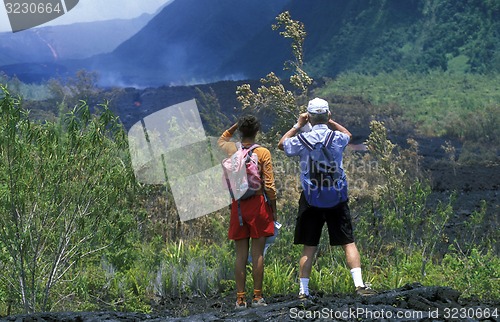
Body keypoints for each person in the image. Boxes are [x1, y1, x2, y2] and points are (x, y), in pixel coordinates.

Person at [278, 97, 376, 299]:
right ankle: (359, 285)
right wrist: (330, 122)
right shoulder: (337, 139)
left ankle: (304, 291)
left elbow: (282, 145)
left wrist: (298, 124)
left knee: (309, 245)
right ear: (328, 115)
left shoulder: (302, 140)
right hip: (337, 198)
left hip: (311, 199)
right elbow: (347, 135)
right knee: (348, 242)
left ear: (309, 117)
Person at [218, 115, 278, 309]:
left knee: (240, 255)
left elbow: (221, 140)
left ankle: (240, 299)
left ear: (241, 130)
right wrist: (273, 209)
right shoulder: (263, 152)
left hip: (238, 206)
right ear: (257, 131)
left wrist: (235, 124)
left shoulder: (231, 150)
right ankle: (258, 297)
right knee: (258, 253)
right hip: (259, 204)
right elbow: (269, 185)